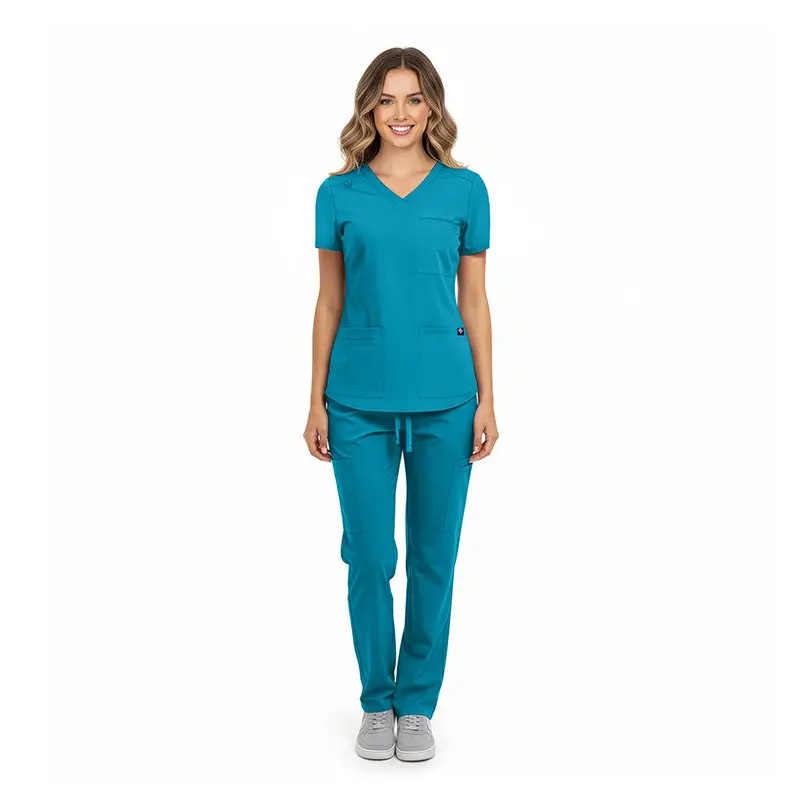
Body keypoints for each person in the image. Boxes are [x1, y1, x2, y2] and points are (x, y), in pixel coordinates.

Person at [304, 46, 499, 762]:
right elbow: (329, 302)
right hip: (356, 403)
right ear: (368, 108)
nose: (400, 113)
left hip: (448, 402)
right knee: (368, 556)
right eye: (386, 99)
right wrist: (315, 401)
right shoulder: (338, 195)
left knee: (433, 559)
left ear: (433, 106)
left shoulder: (466, 191)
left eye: (414, 98)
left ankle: (415, 704)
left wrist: (487, 398)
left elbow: (474, 300)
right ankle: (376, 701)